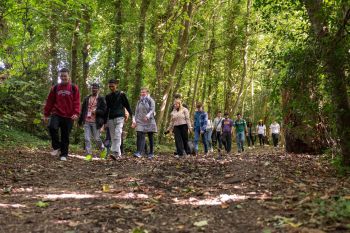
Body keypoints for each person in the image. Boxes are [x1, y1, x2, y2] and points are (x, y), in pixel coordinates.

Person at [43, 68, 80, 161]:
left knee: (65, 135)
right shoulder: (55, 88)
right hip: (57, 113)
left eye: (65, 76)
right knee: (52, 127)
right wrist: (46, 114)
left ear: (69, 76)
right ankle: (56, 146)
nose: (63, 78)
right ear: (60, 77)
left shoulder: (73, 88)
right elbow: (50, 101)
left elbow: (77, 101)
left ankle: (64, 154)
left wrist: (76, 113)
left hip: (69, 115)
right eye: (61, 76)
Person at [105, 79, 133, 160]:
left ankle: (115, 152)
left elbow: (127, 106)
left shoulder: (121, 94)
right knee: (113, 137)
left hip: (120, 117)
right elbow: (107, 109)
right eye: (110, 86)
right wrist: (105, 122)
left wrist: (132, 117)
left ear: (116, 85)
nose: (111, 87)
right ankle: (117, 154)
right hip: (111, 119)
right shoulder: (108, 96)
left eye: (112, 86)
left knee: (118, 134)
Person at [78, 83, 106, 158]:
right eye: (93, 88)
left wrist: (96, 111)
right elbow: (83, 110)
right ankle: (88, 154)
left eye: (95, 88)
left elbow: (104, 111)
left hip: (95, 122)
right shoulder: (87, 98)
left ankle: (103, 149)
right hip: (87, 121)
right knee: (87, 138)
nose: (94, 89)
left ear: (98, 89)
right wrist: (80, 121)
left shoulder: (101, 99)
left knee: (97, 138)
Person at [132, 87, 157, 159]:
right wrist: (134, 121)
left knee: (150, 136)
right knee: (139, 134)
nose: (142, 93)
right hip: (140, 121)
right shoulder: (139, 101)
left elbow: (152, 109)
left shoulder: (151, 100)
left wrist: (147, 116)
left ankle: (151, 152)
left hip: (149, 121)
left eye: (144, 92)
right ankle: (139, 152)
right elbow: (136, 111)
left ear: (147, 93)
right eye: (141, 92)